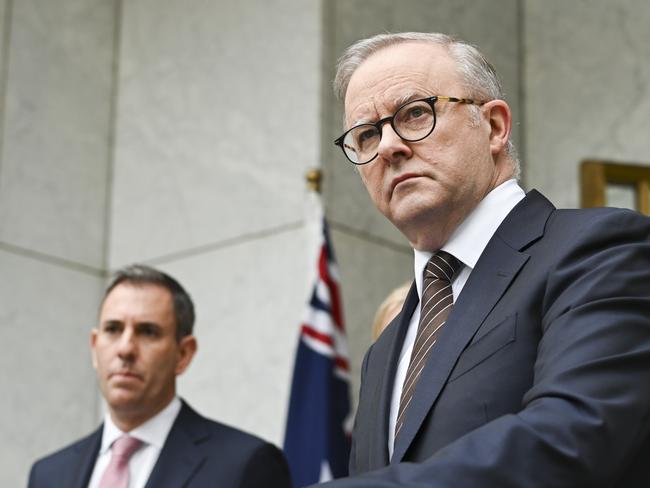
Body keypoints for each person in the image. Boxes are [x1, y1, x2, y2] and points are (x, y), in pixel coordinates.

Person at [315, 32, 650, 487]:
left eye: (415, 113)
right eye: (367, 133)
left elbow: (577, 434)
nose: (389, 146)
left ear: (493, 126)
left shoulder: (599, 249)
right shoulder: (385, 351)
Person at [29, 264, 291, 488]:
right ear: (95, 347)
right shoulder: (49, 475)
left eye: (148, 332)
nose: (125, 349)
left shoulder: (245, 465)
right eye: (113, 329)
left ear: (183, 354)